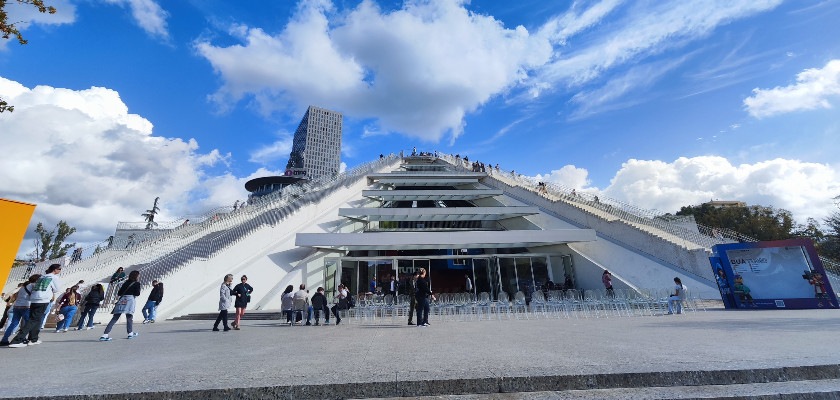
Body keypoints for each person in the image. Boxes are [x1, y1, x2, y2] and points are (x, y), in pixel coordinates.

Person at [9, 264, 62, 348]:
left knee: (36, 319)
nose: (60, 270)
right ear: (55, 270)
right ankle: (16, 340)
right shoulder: (54, 277)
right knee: (33, 320)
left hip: (34, 299)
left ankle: (33, 339)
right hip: (43, 300)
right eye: (59, 269)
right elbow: (57, 289)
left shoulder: (42, 277)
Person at [100, 270, 142, 341]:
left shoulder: (125, 283)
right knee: (129, 317)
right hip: (130, 300)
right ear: (136, 276)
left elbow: (119, 293)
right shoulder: (137, 283)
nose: (139, 277)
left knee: (115, 317)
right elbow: (137, 293)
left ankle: (105, 334)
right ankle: (130, 333)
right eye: (138, 275)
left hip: (122, 299)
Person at [1, 275, 40, 346]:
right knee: (28, 324)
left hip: (17, 306)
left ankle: (4, 339)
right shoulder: (33, 286)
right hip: (26, 306)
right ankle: (22, 338)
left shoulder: (23, 287)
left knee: (13, 323)